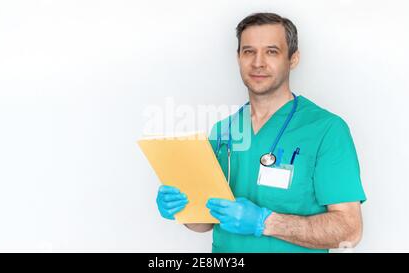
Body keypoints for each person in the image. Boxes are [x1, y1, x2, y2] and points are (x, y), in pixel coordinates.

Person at [155, 12, 366, 253]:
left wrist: (265, 222)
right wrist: (183, 207)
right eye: (249, 51)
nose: (258, 62)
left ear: (293, 58)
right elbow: (206, 222)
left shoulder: (327, 130)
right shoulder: (223, 130)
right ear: (238, 58)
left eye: (271, 51)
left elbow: (350, 230)